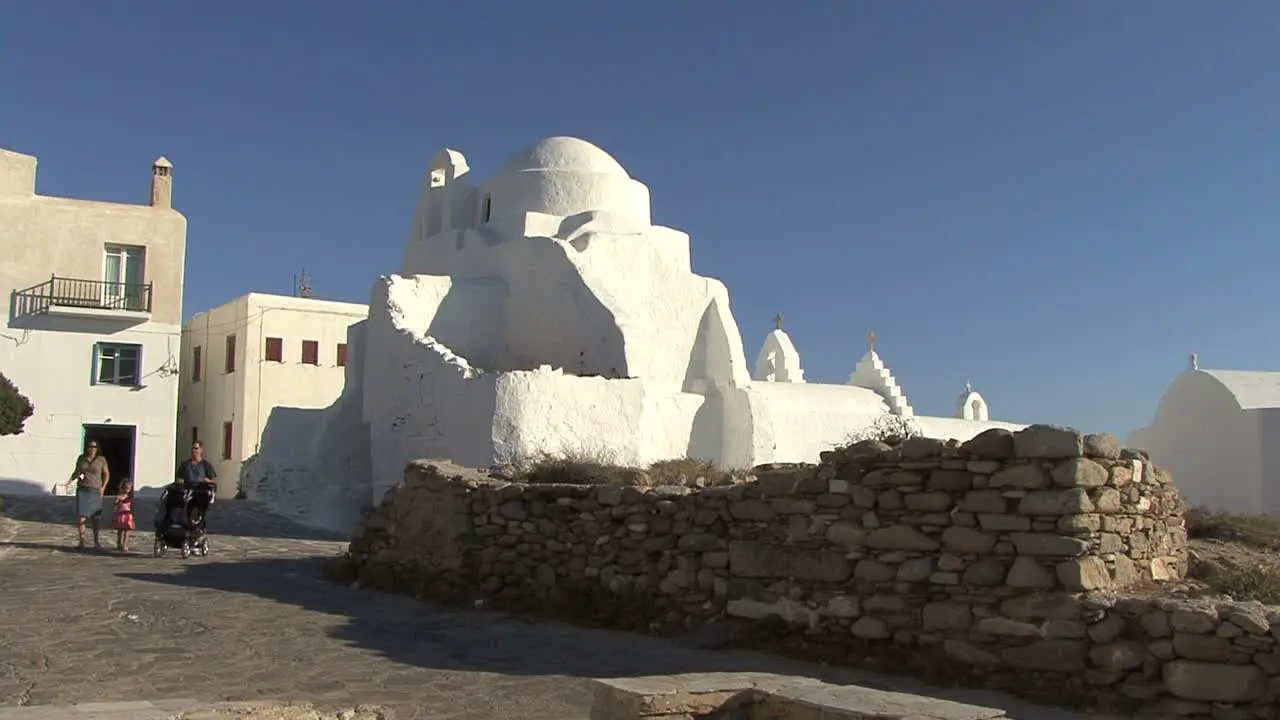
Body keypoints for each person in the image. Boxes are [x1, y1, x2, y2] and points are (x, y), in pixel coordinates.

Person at [70, 440, 109, 550]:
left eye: (94, 447)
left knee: (95, 518)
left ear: (97, 448)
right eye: (90, 446)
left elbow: (106, 474)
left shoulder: (101, 460)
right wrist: (70, 480)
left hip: (95, 489)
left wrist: (103, 488)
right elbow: (76, 472)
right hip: (83, 489)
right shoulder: (81, 459)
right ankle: (81, 541)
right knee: (81, 517)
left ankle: (96, 541)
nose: (92, 449)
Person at [113, 479, 136, 552]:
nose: (127, 490)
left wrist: (132, 513)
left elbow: (131, 506)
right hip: (120, 515)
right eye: (126, 488)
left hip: (128, 515)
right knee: (120, 531)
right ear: (122, 488)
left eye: (129, 488)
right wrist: (117, 505)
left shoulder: (129, 498)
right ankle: (119, 543)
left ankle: (125, 545)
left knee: (127, 530)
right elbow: (115, 506)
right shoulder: (119, 497)